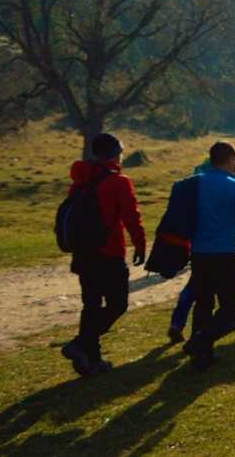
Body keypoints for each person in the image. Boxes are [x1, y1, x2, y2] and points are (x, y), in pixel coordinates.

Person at [60, 133, 146, 376]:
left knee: (91, 305)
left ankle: (92, 360)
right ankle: (81, 344)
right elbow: (131, 216)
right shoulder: (119, 181)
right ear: (115, 153)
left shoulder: (81, 180)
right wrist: (139, 244)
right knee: (117, 304)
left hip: (83, 252)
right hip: (109, 252)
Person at [182, 141, 235, 370]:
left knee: (204, 302)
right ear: (230, 159)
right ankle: (200, 341)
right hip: (226, 252)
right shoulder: (234, 186)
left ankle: (201, 353)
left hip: (199, 252)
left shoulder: (196, 183)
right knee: (231, 304)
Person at [169, 156, 235, 343]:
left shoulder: (198, 179)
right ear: (233, 166)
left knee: (199, 293)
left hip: (198, 245)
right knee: (224, 296)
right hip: (221, 248)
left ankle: (180, 324)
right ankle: (203, 338)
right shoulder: (231, 184)